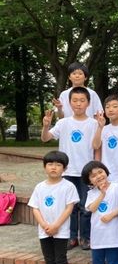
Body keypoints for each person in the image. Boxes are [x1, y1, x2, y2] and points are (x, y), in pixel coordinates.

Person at [41, 86, 98, 251]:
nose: (78, 104)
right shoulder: (63, 122)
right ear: (69, 103)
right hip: (66, 172)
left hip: (86, 172)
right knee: (69, 207)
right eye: (75, 101)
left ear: (88, 103)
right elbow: (45, 139)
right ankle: (71, 237)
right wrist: (45, 126)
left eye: (82, 101)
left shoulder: (94, 123)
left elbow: (97, 146)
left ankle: (85, 238)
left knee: (86, 206)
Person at [28, 151, 79, 264]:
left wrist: (56, 225)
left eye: (58, 165)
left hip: (61, 231)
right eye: (50, 164)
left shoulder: (68, 186)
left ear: (65, 168)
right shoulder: (39, 187)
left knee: (60, 259)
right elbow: (35, 208)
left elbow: (69, 208)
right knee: (49, 259)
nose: (54, 168)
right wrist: (44, 225)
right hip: (44, 230)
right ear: (44, 167)